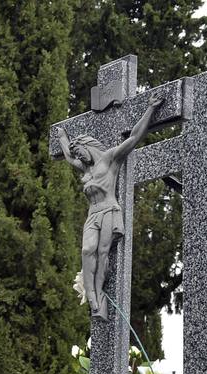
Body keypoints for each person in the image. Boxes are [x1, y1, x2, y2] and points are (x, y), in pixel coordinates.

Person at [57, 96, 164, 319]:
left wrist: (151, 109)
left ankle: (97, 298)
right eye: (77, 155)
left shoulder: (109, 159)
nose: (79, 158)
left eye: (80, 153)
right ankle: (93, 297)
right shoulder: (84, 169)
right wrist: (61, 136)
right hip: (92, 215)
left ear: (87, 146)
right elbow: (67, 155)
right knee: (88, 250)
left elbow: (134, 137)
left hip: (109, 211)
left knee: (103, 253)